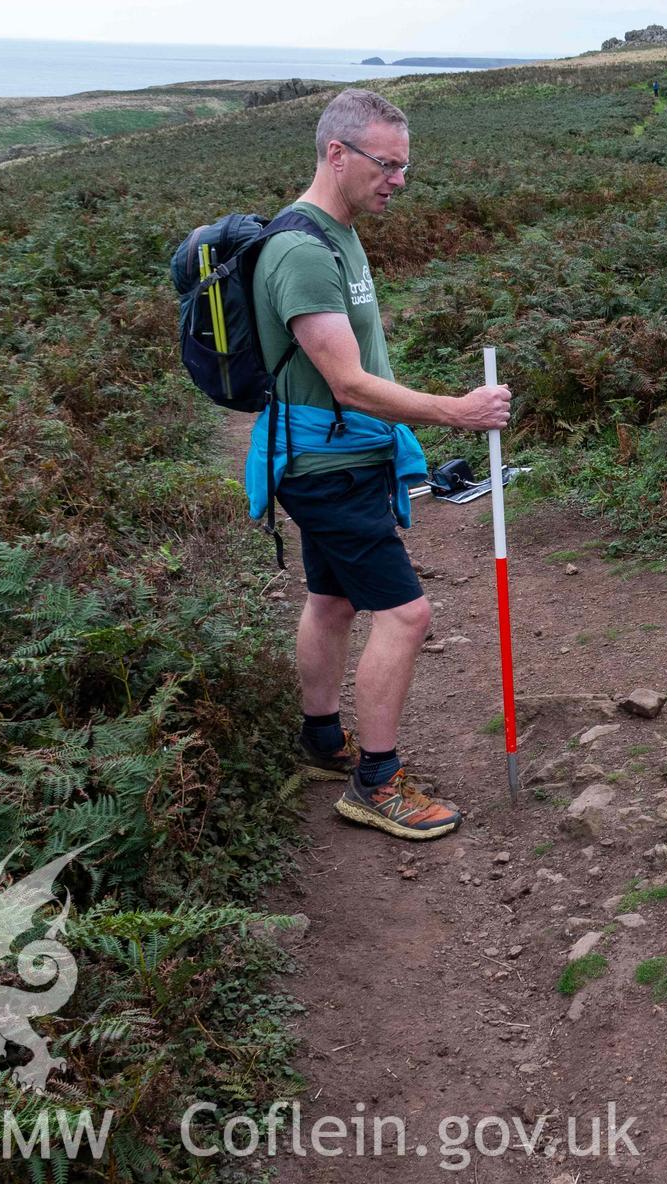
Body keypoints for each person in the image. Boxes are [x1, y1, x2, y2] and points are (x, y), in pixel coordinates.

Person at [251, 87, 511, 841]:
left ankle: (323, 741)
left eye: (404, 167)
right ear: (337, 153)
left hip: (342, 455)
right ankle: (376, 781)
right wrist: (456, 412)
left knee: (332, 601)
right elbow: (349, 382)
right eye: (386, 165)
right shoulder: (302, 251)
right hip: (326, 466)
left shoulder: (341, 232)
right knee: (406, 612)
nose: (398, 180)